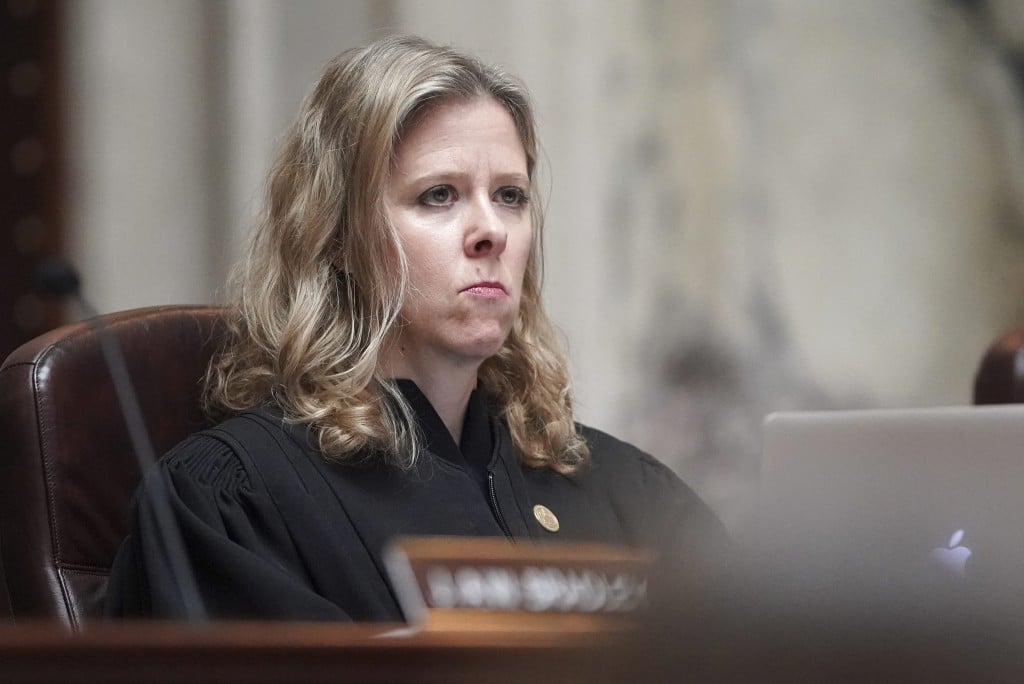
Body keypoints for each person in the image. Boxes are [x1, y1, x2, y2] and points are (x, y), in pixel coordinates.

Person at [105, 34, 726, 621]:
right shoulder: (231, 502)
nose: (492, 230)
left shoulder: (634, 498)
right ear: (339, 237)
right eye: (438, 196)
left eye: (510, 195)